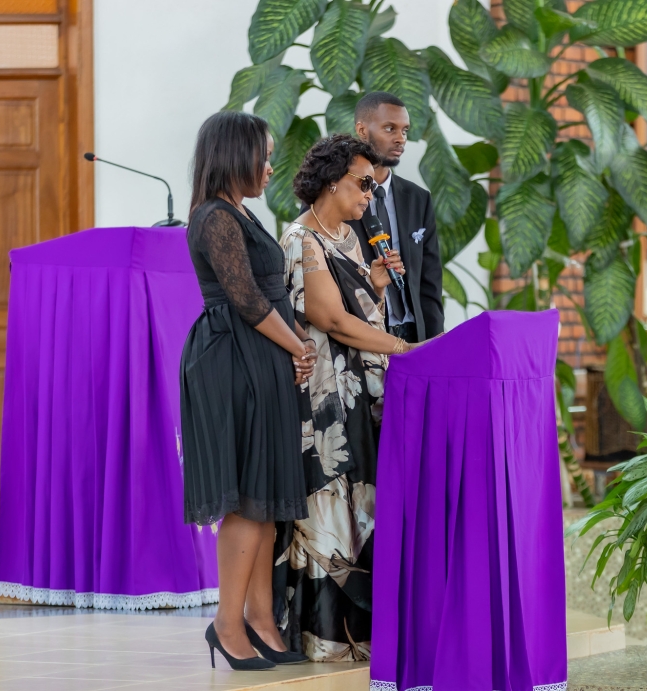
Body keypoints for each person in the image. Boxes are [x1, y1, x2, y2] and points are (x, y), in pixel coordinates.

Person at [180, 111, 316, 671]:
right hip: (232, 360)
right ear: (234, 155)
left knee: (265, 495)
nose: (269, 165)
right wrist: (298, 346)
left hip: (259, 357)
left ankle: (262, 620)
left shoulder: (242, 213)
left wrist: (291, 348)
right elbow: (247, 300)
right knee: (244, 496)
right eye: (262, 154)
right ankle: (227, 623)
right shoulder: (214, 217)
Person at [275, 134, 418, 661]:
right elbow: (331, 320)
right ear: (331, 181)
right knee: (332, 506)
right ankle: (324, 638)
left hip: (368, 390)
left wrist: (376, 286)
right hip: (327, 397)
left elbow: (357, 312)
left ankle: (365, 636)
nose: (369, 193)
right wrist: (407, 347)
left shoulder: (349, 238)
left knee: (367, 507)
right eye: (362, 183)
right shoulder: (301, 240)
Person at [350, 91, 444, 344]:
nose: (400, 139)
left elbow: (430, 281)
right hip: (361, 333)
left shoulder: (418, 198)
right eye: (390, 128)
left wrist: (435, 342)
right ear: (362, 129)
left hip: (413, 332)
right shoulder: (333, 194)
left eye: (404, 131)